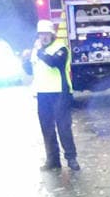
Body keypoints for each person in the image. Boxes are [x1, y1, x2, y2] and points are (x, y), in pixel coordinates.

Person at [29, 20, 80, 171]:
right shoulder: (36, 50)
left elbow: (54, 62)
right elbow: (31, 69)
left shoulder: (61, 47)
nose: (43, 37)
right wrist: (26, 60)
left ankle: (71, 158)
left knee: (63, 127)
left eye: (46, 34)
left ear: (52, 35)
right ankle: (52, 160)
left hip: (60, 92)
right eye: (41, 34)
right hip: (42, 94)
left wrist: (39, 51)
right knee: (47, 128)